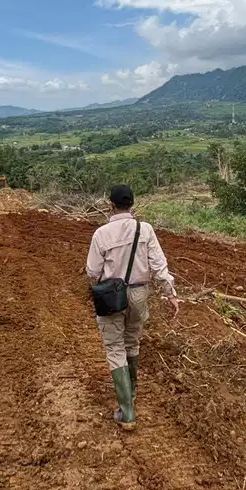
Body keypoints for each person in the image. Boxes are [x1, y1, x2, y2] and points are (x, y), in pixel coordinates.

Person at [85, 184, 181, 431]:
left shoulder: (101, 234)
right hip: (140, 293)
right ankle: (133, 392)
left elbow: (92, 271)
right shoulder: (145, 229)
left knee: (115, 347)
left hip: (111, 296)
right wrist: (171, 294)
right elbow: (159, 265)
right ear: (133, 205)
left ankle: (127, 411)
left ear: (111, 205)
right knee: (132, 343)